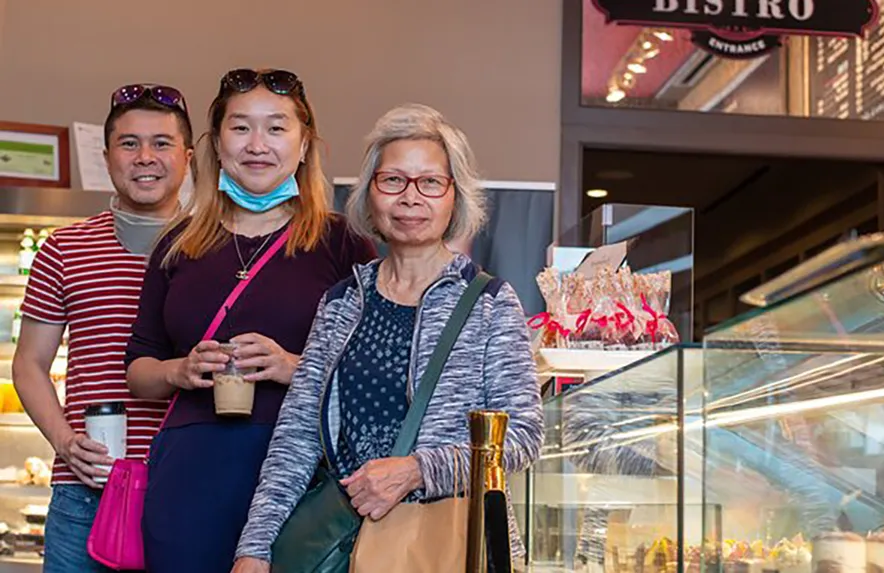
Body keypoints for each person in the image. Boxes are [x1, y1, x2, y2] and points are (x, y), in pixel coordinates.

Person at [231, 103, 544, 572]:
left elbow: (521, 436)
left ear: (454, 197)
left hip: (449, 541)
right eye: (393, 180)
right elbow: (295, 437)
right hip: (345, 543)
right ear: (370, 196)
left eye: (430, 182)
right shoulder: (341, 303)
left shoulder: (490, 303)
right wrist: (254, 547)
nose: (410, 198)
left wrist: (416, 471)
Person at [123, 68, 377, 572]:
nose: (257, 144)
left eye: (277, 128)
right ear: (216, 143)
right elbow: (138, 370)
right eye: (241, 128)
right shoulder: (177, 245)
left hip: (303, 478)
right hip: (190, 477)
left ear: (305, 146)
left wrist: (293, 366)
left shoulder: (343, 245)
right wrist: (179, 370)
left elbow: (376, 378)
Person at [12, 83, 194, 573]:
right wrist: (65, 441)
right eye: (129, 143)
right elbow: (28, 364)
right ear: (108, 155)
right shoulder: (64, 248)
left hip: (187, 487)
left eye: (162, 143)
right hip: (85, 490)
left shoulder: (215, 250)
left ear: (189, 156)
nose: (145, 157)